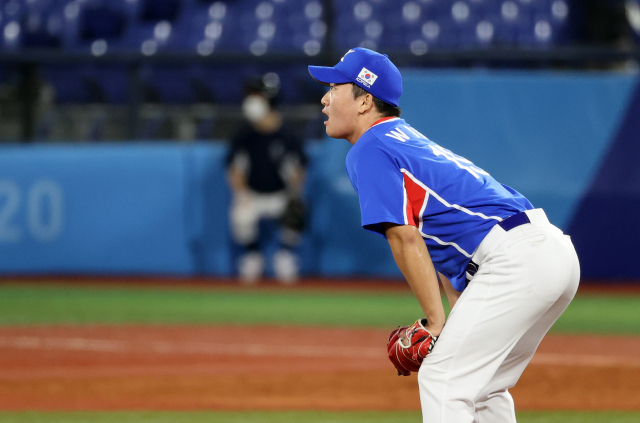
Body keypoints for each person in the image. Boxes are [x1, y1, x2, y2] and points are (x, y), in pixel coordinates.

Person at [308, 48, 580, 422]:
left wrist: (435, 324)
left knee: (441, 378)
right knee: (483, 387)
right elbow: (436, 243)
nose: (324, 97)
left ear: (364, 101)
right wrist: (450, 320)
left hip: (516, 259)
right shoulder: (403, 138)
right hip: (548, 251)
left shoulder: (370, 148)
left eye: (334, 87)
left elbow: (405, 239)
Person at [226, 75, 307, 284]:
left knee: (298, 209)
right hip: (252, 194)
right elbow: (234, 168)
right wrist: (241, 193)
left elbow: (300, 169)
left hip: (280, 194)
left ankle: (285, 255)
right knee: (240, 215)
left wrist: (294, 193)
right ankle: (253, 255)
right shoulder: (244, 134)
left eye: (257, 95)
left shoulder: (288, 134)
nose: (251, 100)